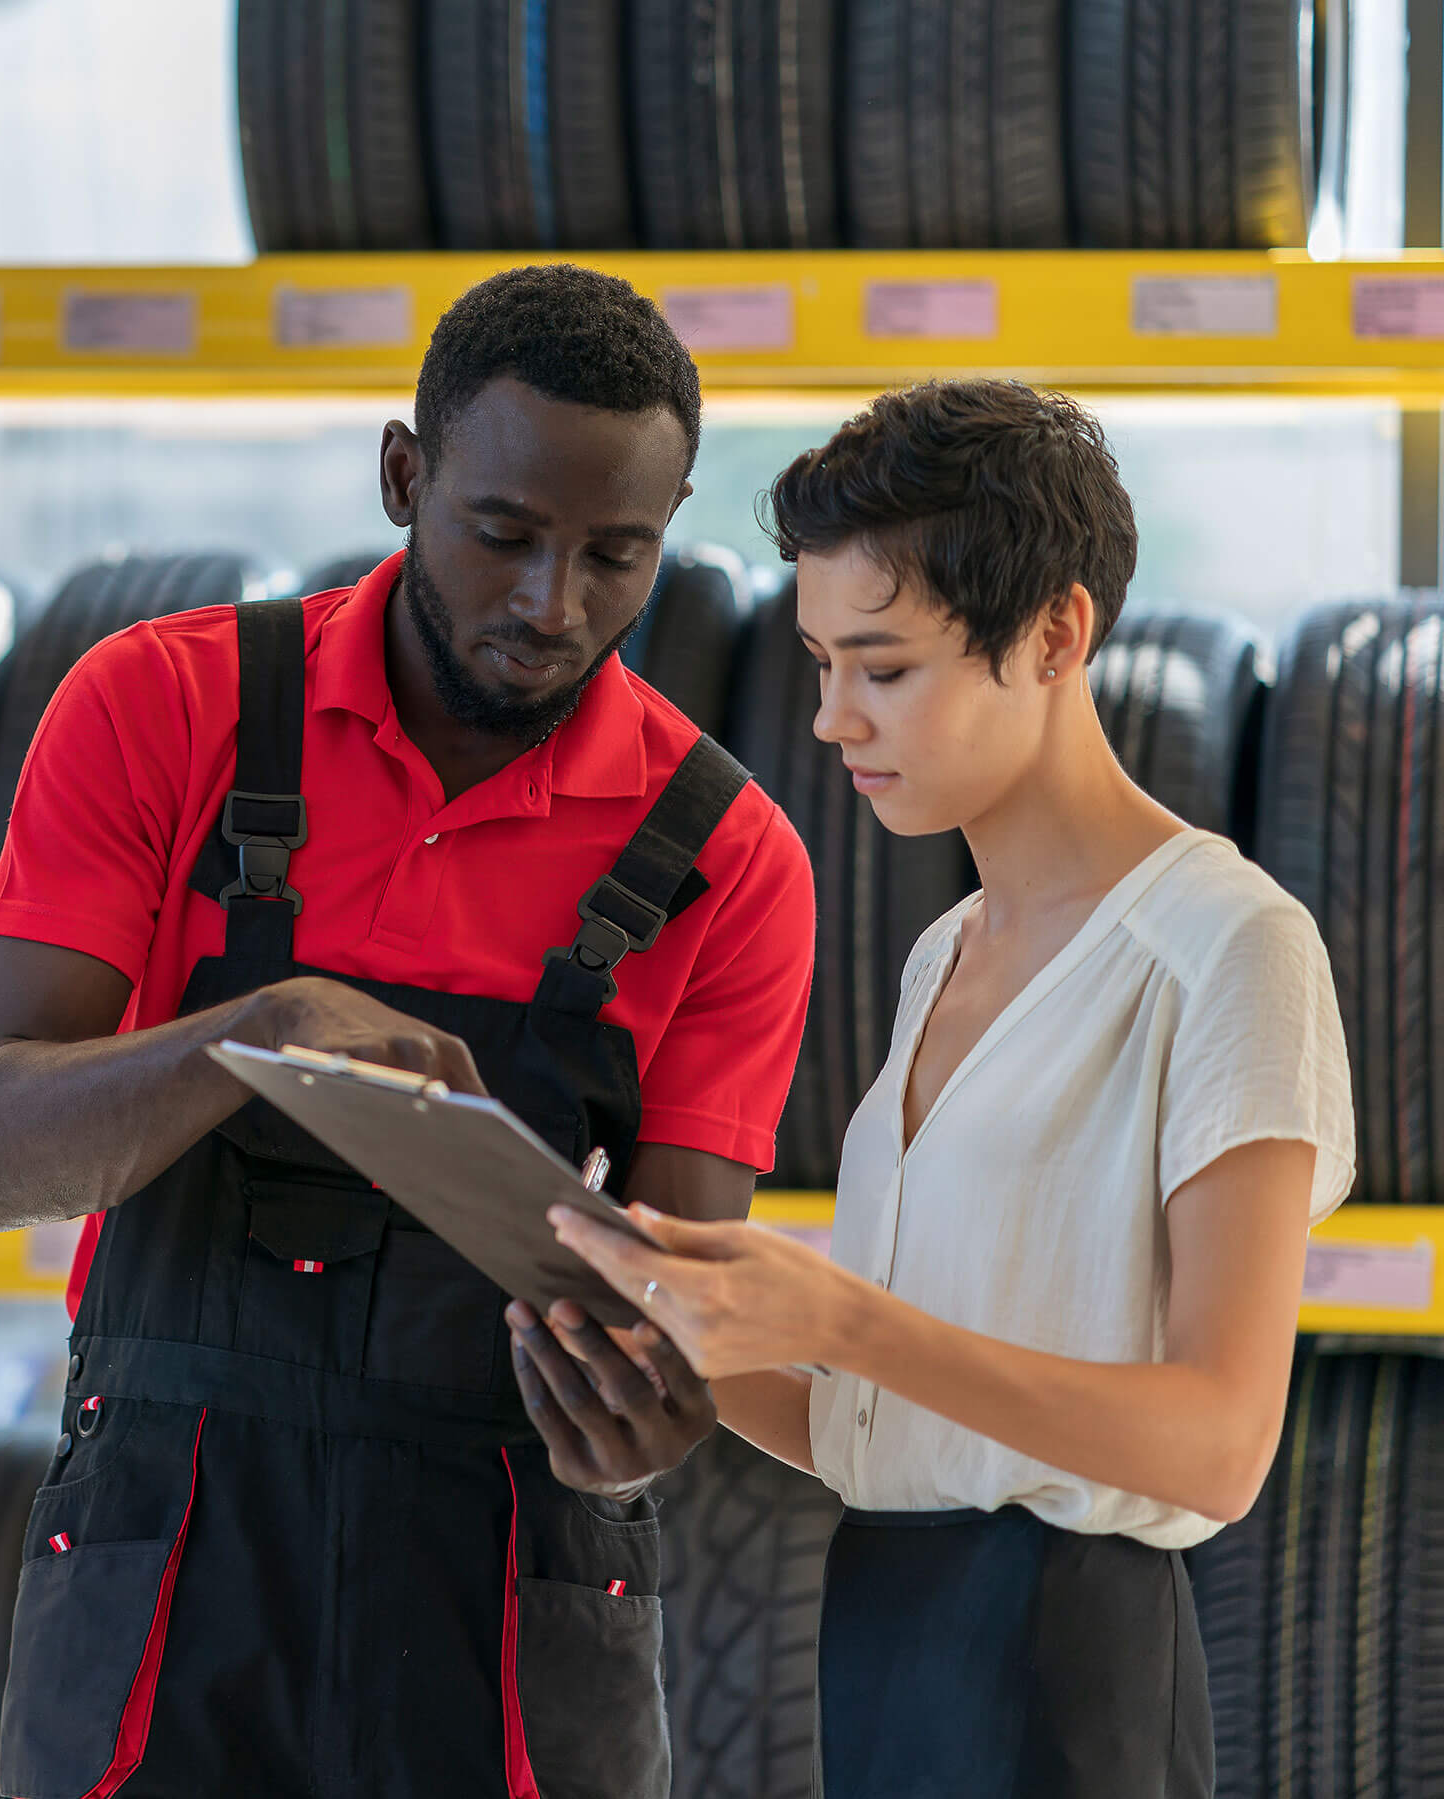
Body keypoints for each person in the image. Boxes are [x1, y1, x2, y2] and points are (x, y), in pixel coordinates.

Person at [0, 265, 815, 1799]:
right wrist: (242, 1032)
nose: (555, 605)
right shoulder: (160, 708)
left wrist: (652, 1417)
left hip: (511, 1584)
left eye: (618, 555)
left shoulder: (728, 860)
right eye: (505, 536)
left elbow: (682, 1307)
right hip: (169, 1550)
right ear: (404, 475)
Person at [524, 379, 1356, 1798]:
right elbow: (887, 1430)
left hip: (1070, 1666)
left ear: (1055, 634)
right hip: (883, 1625)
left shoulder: (1229, 949)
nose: (836, 720)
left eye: (886, 667)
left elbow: (1220, 1446)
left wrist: (846, 1316)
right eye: (820, 663)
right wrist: (687, 1326)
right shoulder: (940, 954)